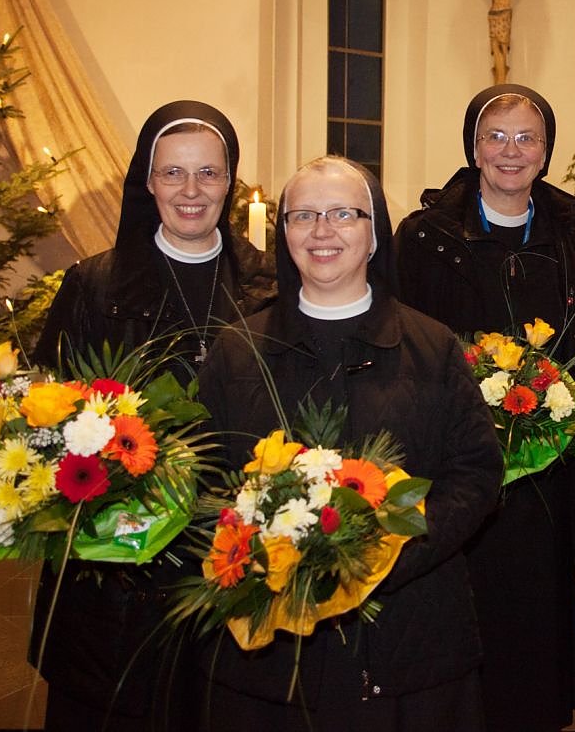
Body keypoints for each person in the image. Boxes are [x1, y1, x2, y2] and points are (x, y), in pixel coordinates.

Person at [194, 156, 502, 730]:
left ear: (374, 232)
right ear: (284, 233)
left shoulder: (431, 346)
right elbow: (203, 481)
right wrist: (267, 551)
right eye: (303, 215)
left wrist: (385, 554)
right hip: (271, 656)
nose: (322, 231)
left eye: (343, 214)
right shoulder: (237, 350)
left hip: (410, 639)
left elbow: (476, 473)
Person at [28, 100, 275, 732]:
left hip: (231, 551)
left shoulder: (270, 285)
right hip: (116, 565)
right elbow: (45, 422)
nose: (191, 191)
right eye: (173, 173)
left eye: (208, 173)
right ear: (148, 180)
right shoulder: (94, 286)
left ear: (230, 181)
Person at [395, 84, 575, 731]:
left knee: (532, 640)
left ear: (546, 150)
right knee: (460, 628)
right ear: (473, 146)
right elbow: (401, 345)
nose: (511, 151)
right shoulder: (426, 236)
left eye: (526, 138)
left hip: (547, 473)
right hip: (453, 467)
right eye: (496, 136)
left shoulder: (571, 233)